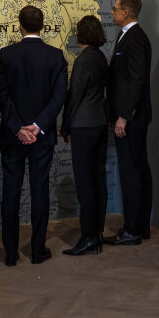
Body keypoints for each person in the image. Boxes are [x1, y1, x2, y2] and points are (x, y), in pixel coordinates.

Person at [0, 5, 67, 266]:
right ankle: (38, 251)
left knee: (11, 192)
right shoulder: (56, 56)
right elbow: (59, 96)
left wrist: (18, 127)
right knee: (40, 191)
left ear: (20, 26)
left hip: (12, 136)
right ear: (43, 26)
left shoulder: (6, 55)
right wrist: (38, 126)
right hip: (42, 137)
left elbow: (2, 96)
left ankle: (10, 254)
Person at [104, 0, 152, 247]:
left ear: (127, 12)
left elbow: (136, 80)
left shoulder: (135, 39)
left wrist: (124, 115)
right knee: (136, 169)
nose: (112, 12)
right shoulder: (129, 36)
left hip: (131, 119)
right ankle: (139, 227)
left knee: (132, 172)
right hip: (131, 117)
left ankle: (133, 229)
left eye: (115, 9)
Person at [60, 15, 109, 256]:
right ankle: (96, 233)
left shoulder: (83, 60)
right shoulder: (100, 57)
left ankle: (88, 236)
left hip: (83, 126)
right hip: (99, 123)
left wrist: (65, 125)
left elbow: (75, 95)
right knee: (98, 180)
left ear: (82, 34)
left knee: (85, 183)